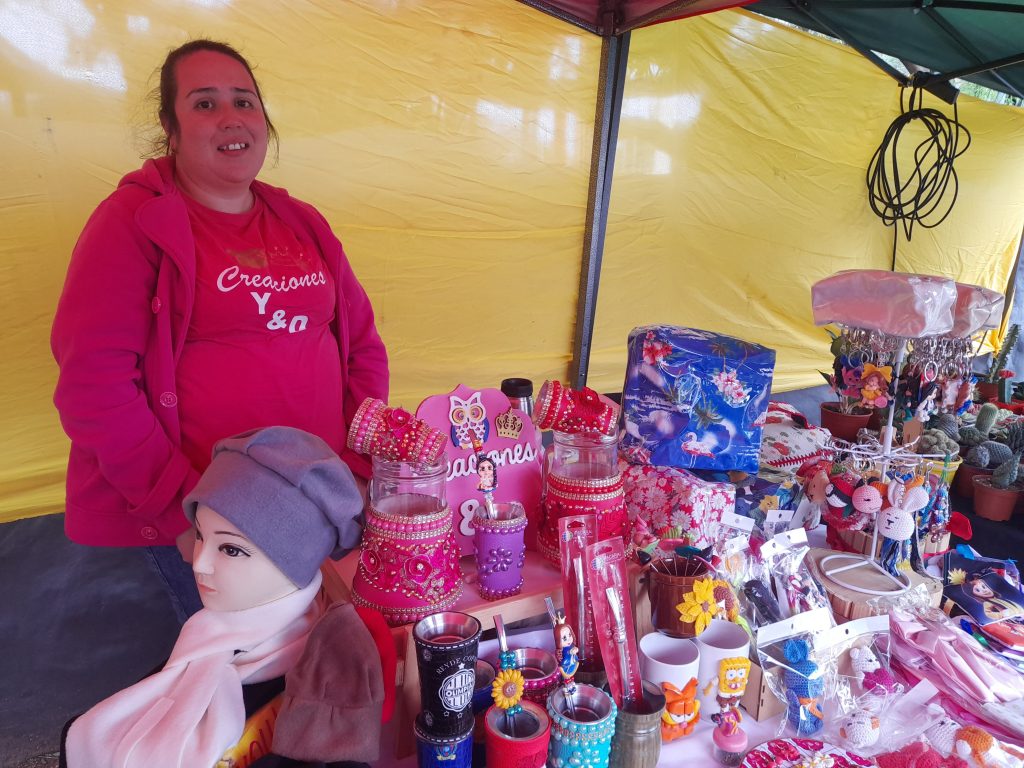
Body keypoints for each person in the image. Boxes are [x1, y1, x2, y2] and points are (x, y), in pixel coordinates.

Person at [50, 40, 388, 622]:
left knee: (303, 682)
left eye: (245, 102)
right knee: (231, 690)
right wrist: (187, 514)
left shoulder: (301, 220)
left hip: (309, 508)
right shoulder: (133, 224)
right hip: (202, 521)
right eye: (204, 104)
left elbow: (361, 347)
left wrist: (355, 469)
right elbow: (94, 387)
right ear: (170, 128)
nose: (231, 118)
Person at [61, 426, 392, 768]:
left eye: (231, 549)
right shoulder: (209, 637)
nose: (200, 563)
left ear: (294, 561)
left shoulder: (333, 661)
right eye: (200, 536)